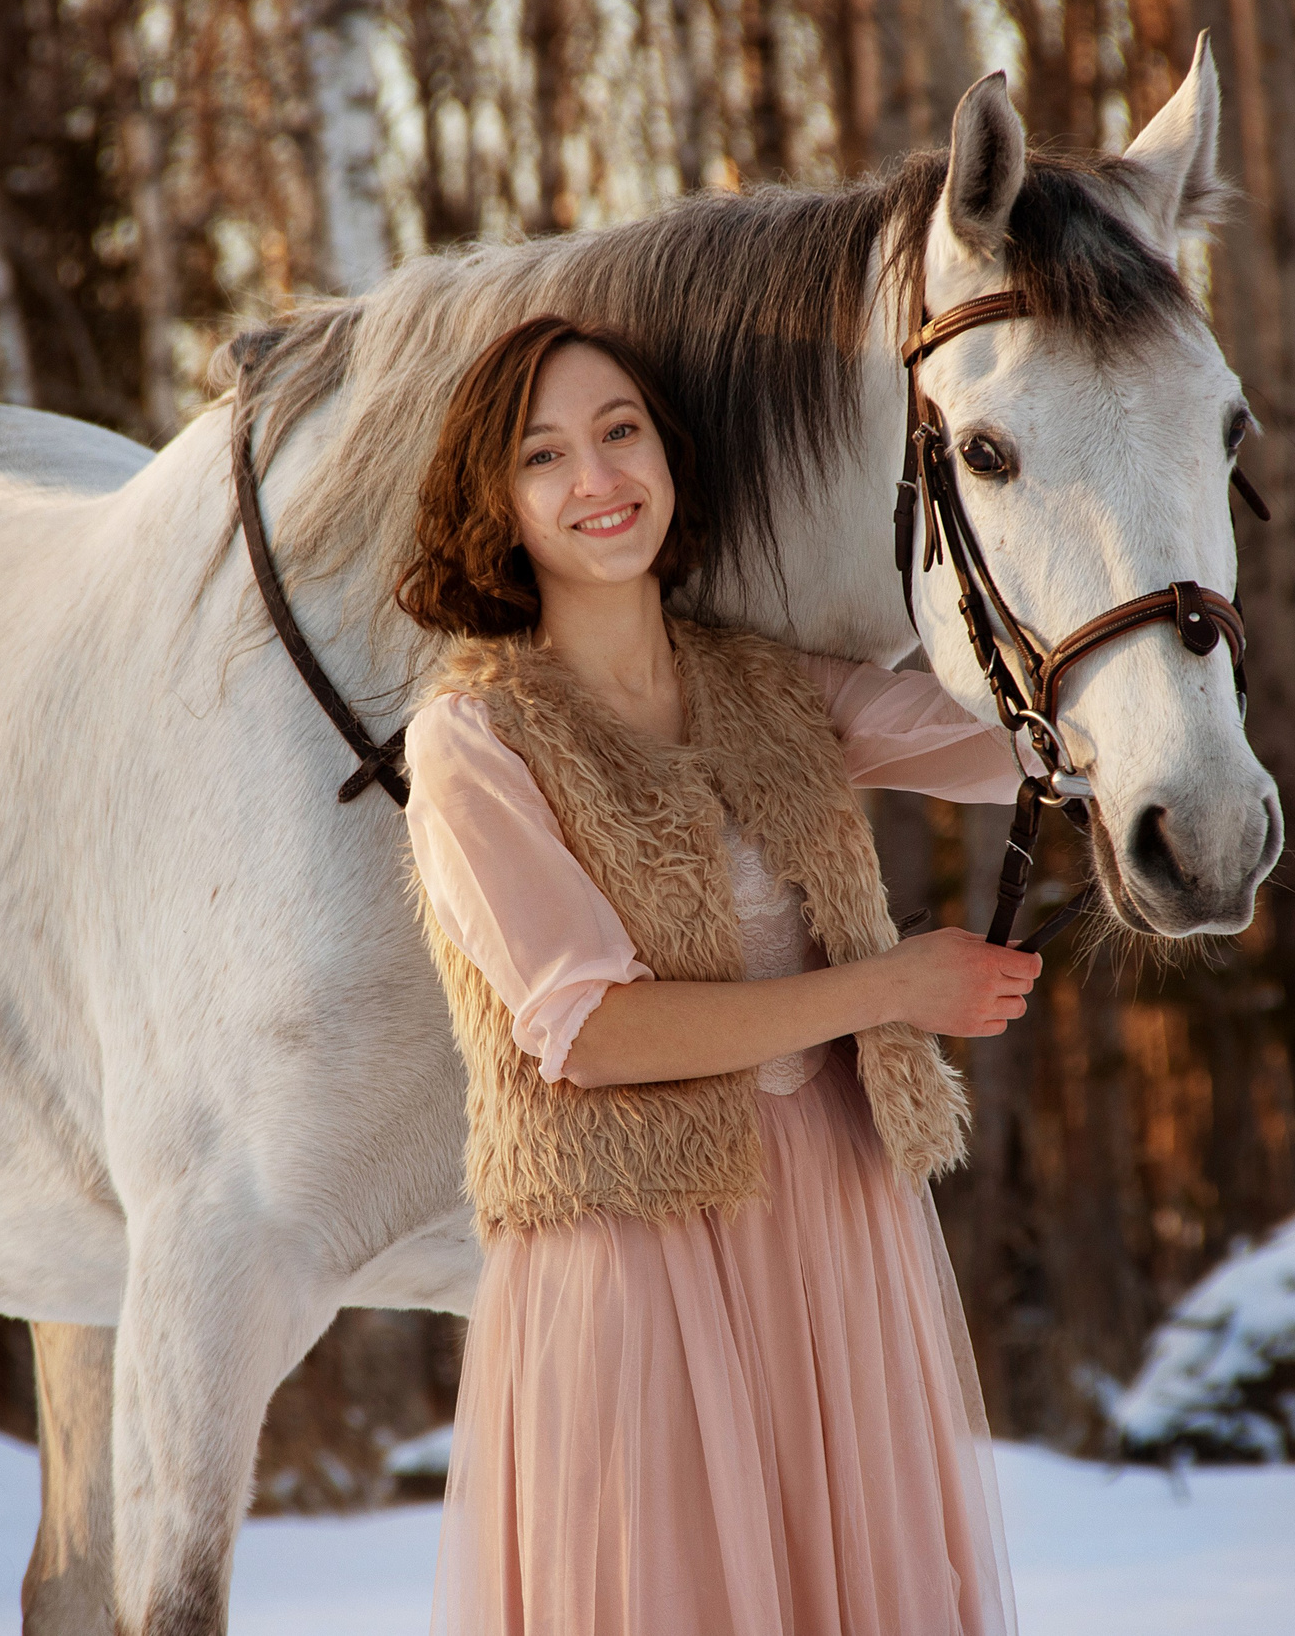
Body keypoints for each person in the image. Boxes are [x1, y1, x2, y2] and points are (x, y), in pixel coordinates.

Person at [397, 314, 1037, 1636]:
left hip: (838, 1221)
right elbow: (589, 1031)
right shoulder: (477, 740)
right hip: (638, 1249)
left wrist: (1124, 588)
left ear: (669, 452)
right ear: (498, 506)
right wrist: (895, 989)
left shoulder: (767, 683)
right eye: (545, 456)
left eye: (620, 431)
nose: (599, 479)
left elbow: (1011, 743)